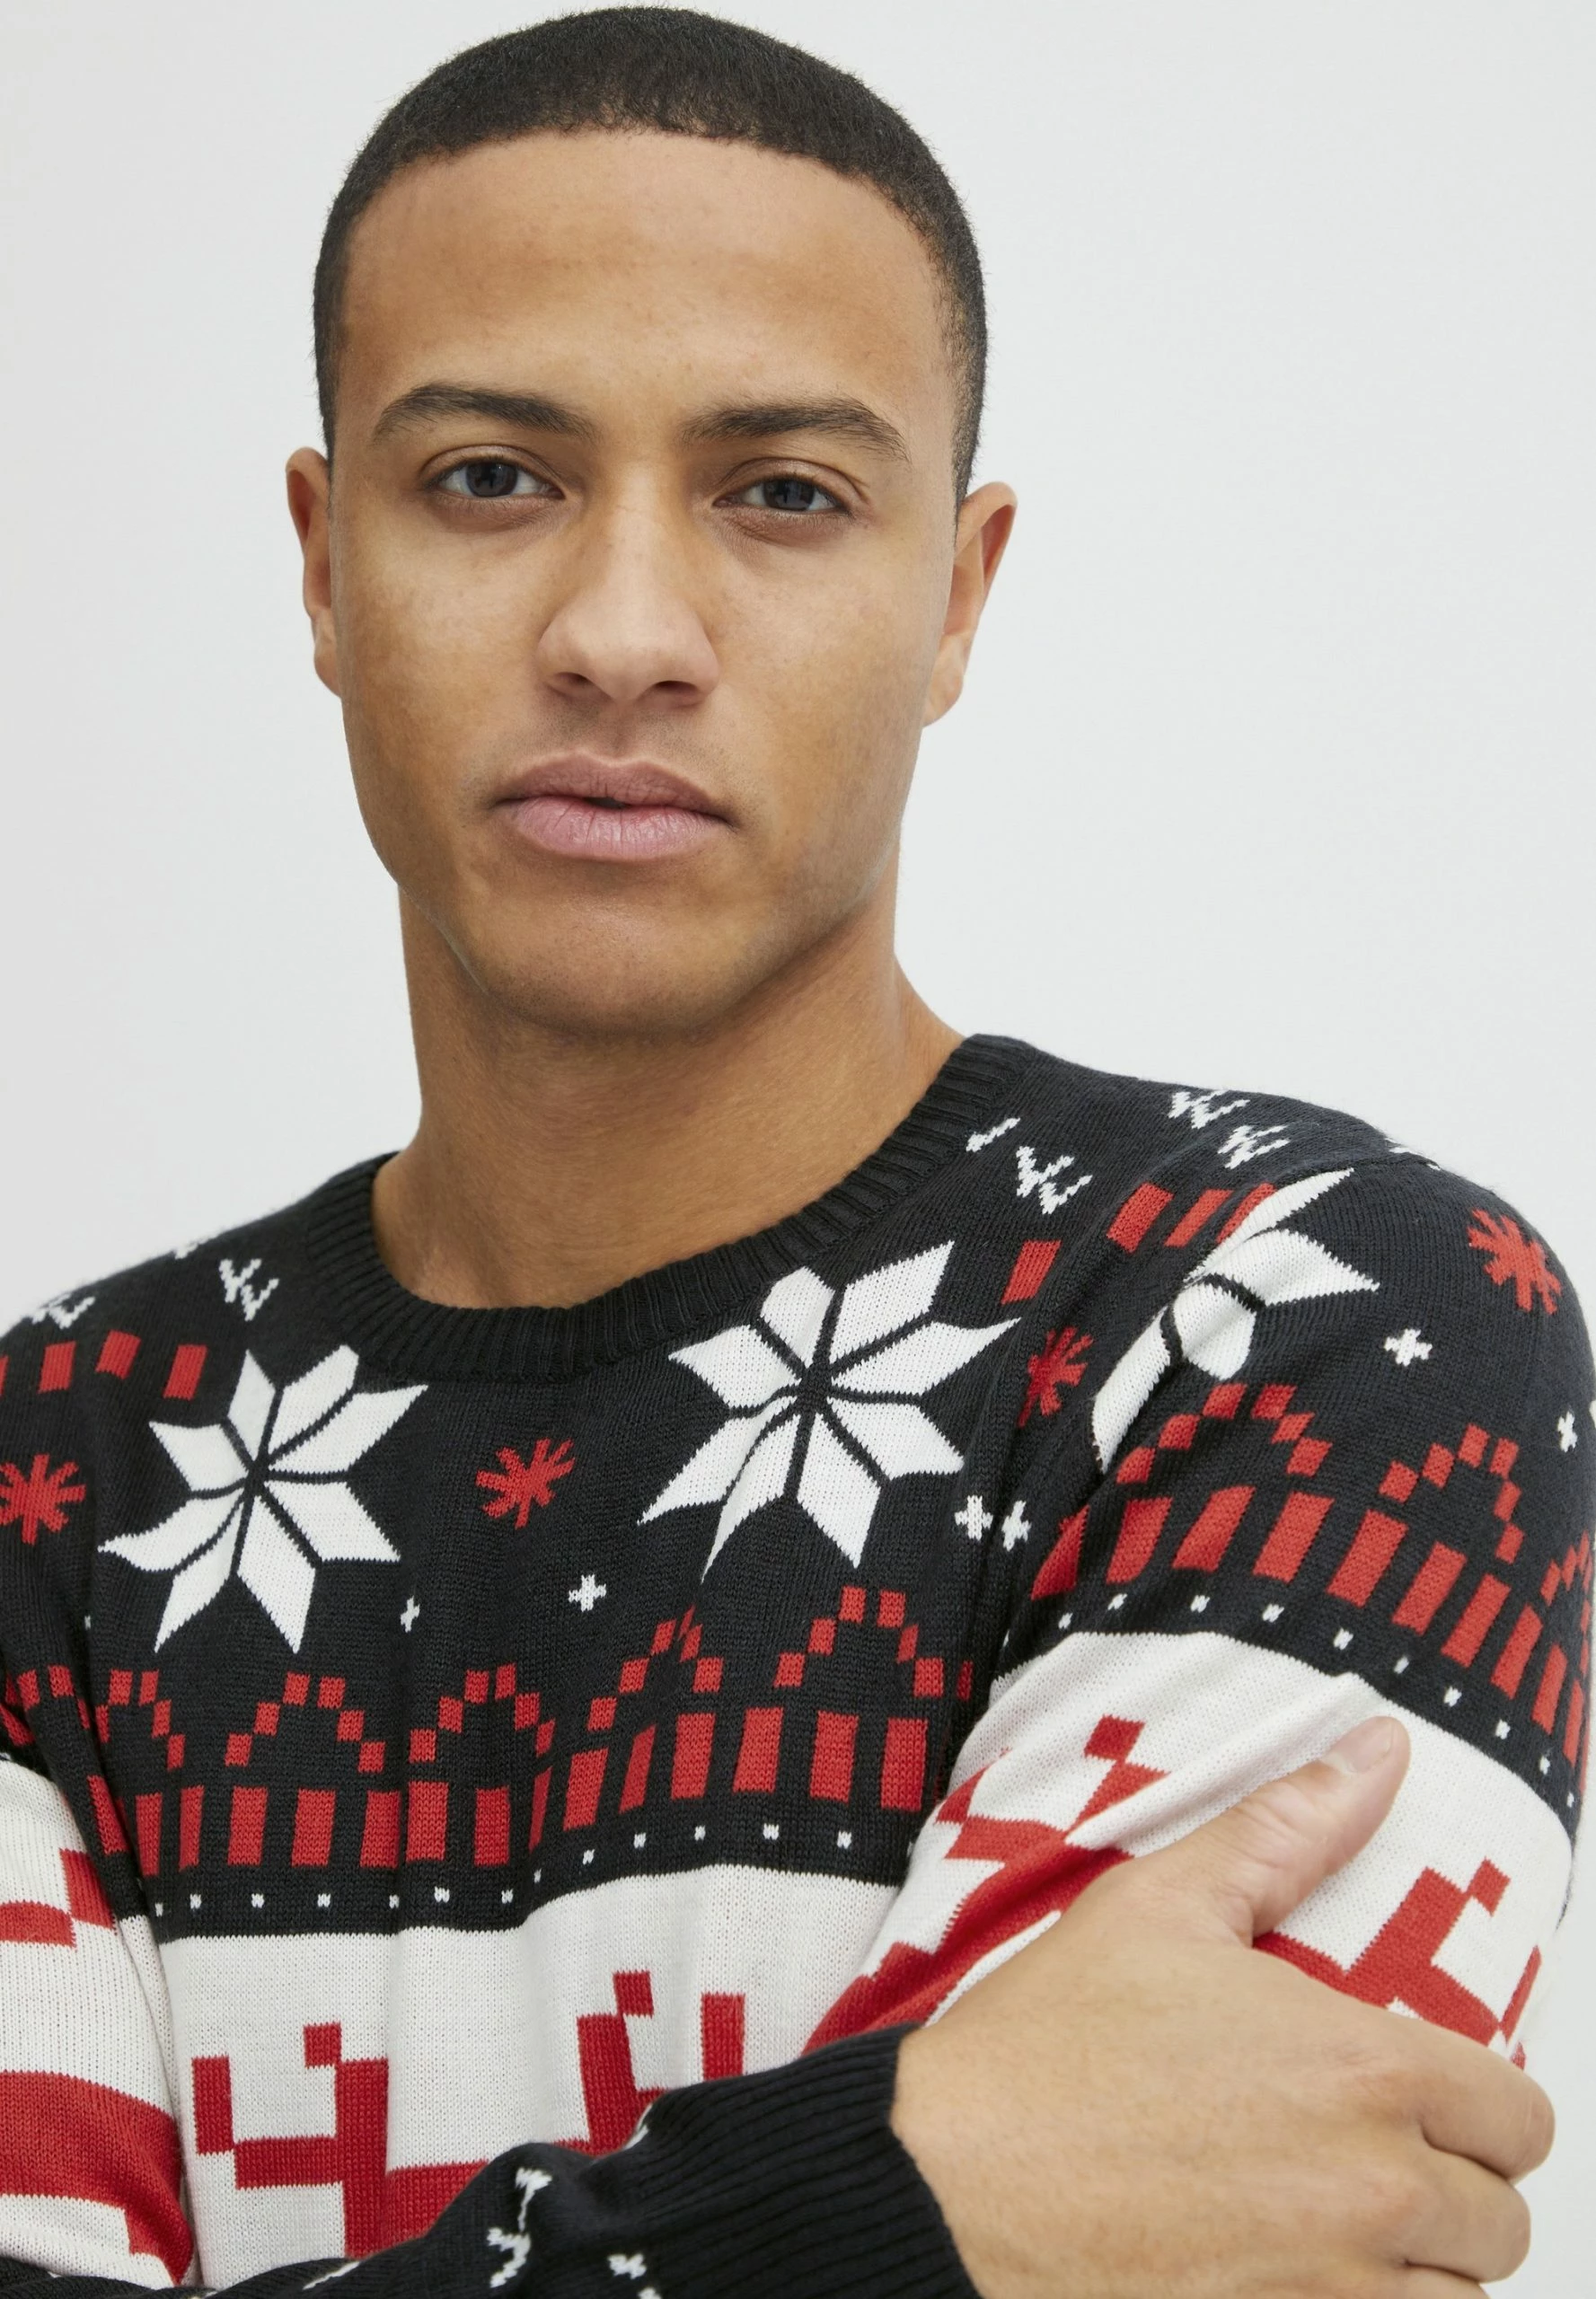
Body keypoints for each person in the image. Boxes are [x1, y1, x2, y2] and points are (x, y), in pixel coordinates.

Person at [0, 11, 1587, 2295]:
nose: (622, 636)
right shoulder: (53, 1467)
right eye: (490, 478)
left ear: (957, 592)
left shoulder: (1302, 1318)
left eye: (784, 494)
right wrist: (897, 2199)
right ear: (324, 564)